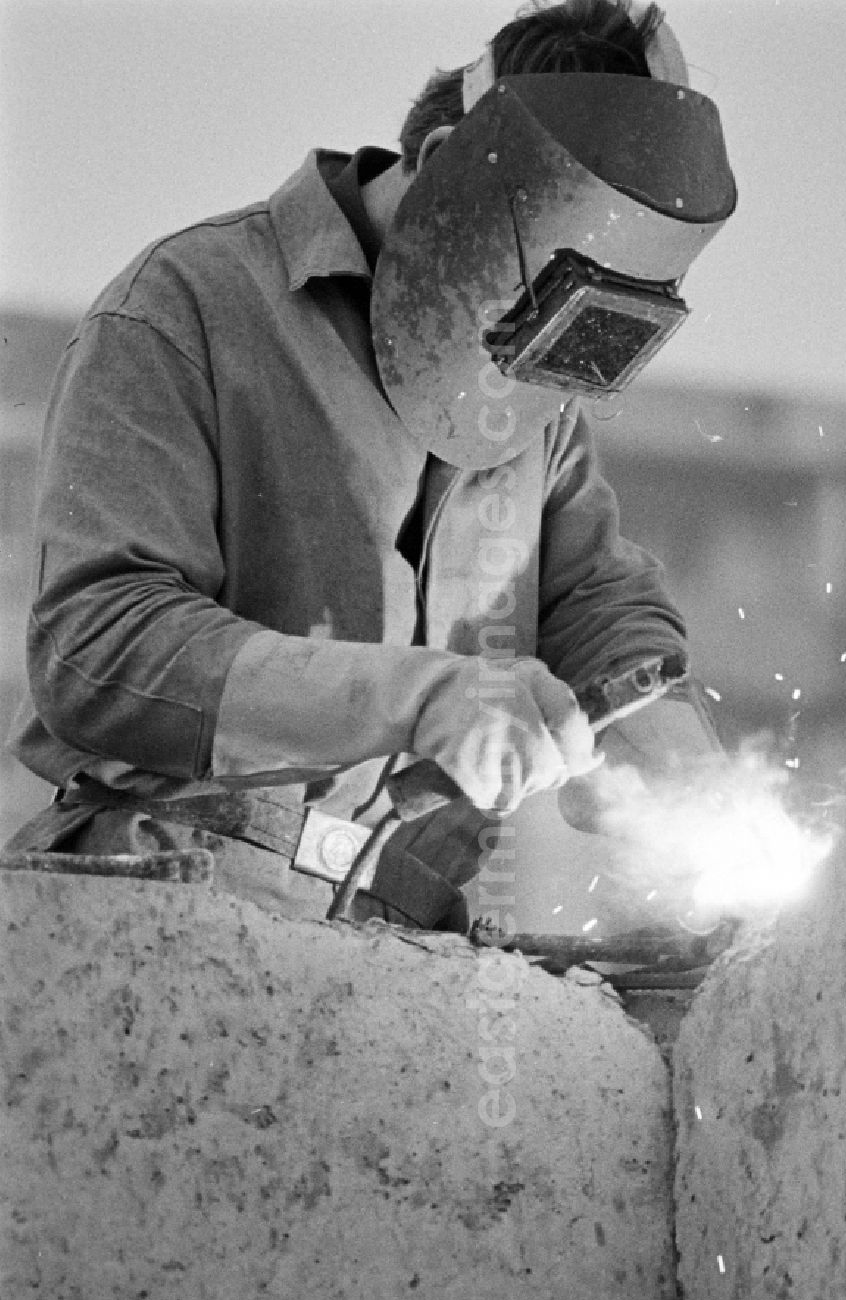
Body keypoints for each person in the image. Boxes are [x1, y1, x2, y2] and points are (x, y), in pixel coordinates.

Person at [4, 0, 737, 932]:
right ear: (442, 172)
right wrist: (420, 697)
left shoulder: (530, 399)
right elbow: (98, 649)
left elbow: (596, 603)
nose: (526, 367)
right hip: (164, 904)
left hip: (406, 936)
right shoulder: (189, 308)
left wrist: (669, 743)